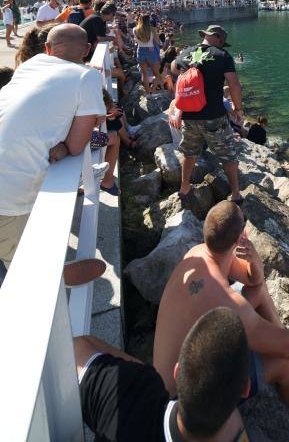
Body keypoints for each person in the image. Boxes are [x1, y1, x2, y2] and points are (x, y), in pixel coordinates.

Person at [154, 201, 289, 426]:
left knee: (259, 291)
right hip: (186, 398)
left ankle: (283, 338)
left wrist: (254, 259)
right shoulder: (225, 299)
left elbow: (253, 280)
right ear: (238, 239)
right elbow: (235, 307)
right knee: (281, 365)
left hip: (196, 355)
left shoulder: (200, 254)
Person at [0, 24, 106, 267]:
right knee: (22, 268)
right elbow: (79, 143)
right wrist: (66, 146)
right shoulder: (86, 76)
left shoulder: (29, 65)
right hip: (9, 195)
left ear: (47, 49)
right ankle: (54, 277)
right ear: (88, 50)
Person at [76, 307, 258, 442]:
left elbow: (76, 348)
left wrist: (139, 375)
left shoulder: (127, 392)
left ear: (177, 372)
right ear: (245, 389)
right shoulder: (236, 429)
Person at [173, 26, 244, 204]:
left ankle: (184, 187)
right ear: (219, 39)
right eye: (222, 43)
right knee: (228, 154)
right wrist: (238, 109)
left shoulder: (188, 52)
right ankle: (235, 193)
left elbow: (174, 68)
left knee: (189, 153)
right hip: (214, 116)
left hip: (189, 116)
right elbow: (233, 84)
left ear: (205, 36)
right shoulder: (222, 56)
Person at [133, 13, 165, 93]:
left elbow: (136, 41)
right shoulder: (152, 29)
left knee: (144, 73)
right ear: (148, 21)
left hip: (140, 50)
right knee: (156, 74)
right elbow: (158, 42)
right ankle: (153, 89)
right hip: (151, 52)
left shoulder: (135, 29)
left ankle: (147, 92)